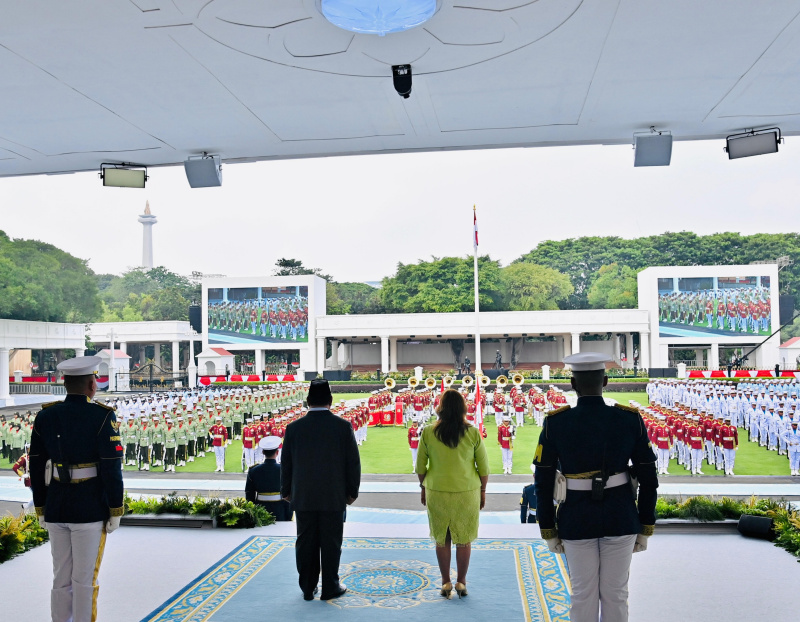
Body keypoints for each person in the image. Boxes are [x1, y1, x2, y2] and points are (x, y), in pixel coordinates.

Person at [532, 352, 658, 622]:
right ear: (606, 381)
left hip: (576, 517)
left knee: (582, 594)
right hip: (620, 515)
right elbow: (649, 478)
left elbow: (542, 482)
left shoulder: (556, 422)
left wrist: (548, 529)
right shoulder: (629, 419)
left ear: (573, 384)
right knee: (616, 594)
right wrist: (645, 524)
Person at [29, 355, 125, 622]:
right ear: (92, 384)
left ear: (65, 383)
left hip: (56, 505)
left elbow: (35, 465)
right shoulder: (102, 416)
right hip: (89, 507)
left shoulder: (46, 415)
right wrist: (115, 508)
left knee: (61, 577)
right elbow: (111, 467)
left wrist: (41, 506)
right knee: (84, 579)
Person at [281, 379, 360, 601]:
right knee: (331, 543)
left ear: (307, 401)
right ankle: (330, 587)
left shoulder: (294, 428)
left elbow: (286, 463)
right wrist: (352, 492)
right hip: (333, 495)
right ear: (330, 400)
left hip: (303, 496)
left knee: (305, 542)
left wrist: (286, 491)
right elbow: (353, 463)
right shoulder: (342, 426)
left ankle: (308, 587)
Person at [416, 389, 489, 599]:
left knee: (442, 538)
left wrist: (423, 487)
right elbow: (484, 468)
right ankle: (461, 582)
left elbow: (420, 466)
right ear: (463, 408)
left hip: (437, 490)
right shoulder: (473, 432)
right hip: (467, 491)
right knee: (463, 539)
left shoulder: (428, 432)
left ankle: (445, 582)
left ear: (441, 408)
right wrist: (483, 491)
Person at [246, 436, 293, 521]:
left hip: (260, 510)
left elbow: (249, 495)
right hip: (280, 511)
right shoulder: (284, 470)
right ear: (277, 452)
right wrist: (288, 515)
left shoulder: (253, 470)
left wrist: (253, 513)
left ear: (263, 452)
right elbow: (289, 494)